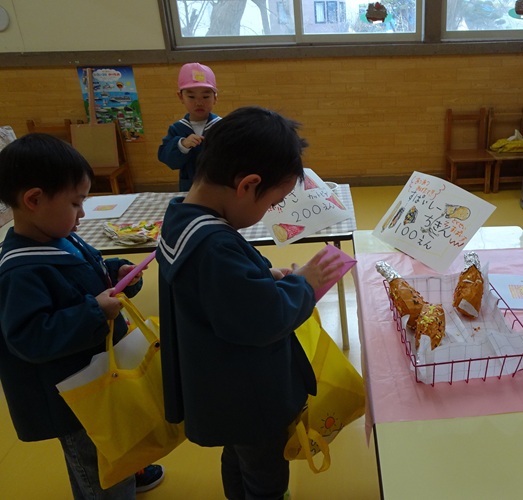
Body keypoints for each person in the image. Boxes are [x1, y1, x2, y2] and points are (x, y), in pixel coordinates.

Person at [156, 106, 341, 500]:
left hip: (220, 387)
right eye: (272, 203)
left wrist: (262, 276)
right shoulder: (214, 246)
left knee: (238, 456)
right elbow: (265, 319)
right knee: (265, 475)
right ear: (247, 185)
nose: (268, 212)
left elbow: (211, 291)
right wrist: (304, 285)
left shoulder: (181, 217)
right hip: (249, 396)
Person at [0, 134, 165, 498]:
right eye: (76, 203)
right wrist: (94, 311)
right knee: (96, 465)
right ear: (33, 200)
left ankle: (127, 473)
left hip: (98, 377)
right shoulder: (20, 271)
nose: (83, 214)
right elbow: (29, 337)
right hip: (74, 398)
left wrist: (116, 272)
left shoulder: (60, 236)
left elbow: (83, 273)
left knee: (116, 444)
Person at [158, 62, 222, 191]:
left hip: (220, 186)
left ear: (215, 98)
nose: (199, 102)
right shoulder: (177, 129)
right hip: (189, 188)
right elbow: (168, 159)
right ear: (181, 97)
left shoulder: (222, 126)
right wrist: (182, 145)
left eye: (205, 96)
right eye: (191, 97)